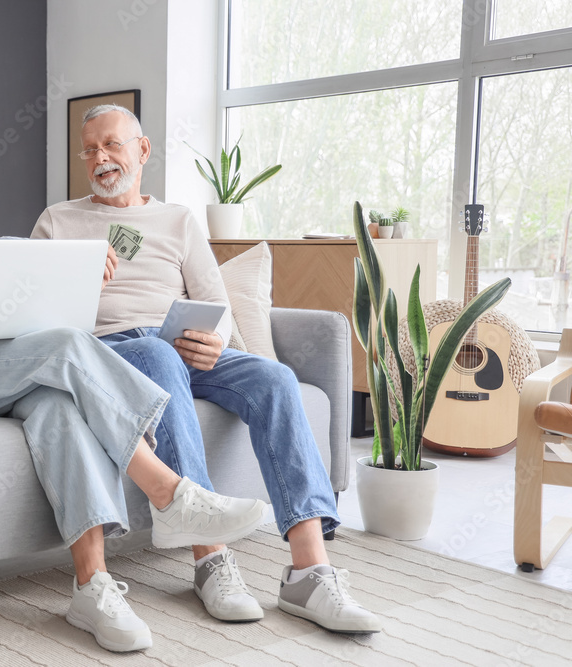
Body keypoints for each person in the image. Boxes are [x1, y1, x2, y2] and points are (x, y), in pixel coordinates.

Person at [0, 117, 269, 653]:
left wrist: (81, 281)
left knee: (58, 405)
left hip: (0, 369)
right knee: (62, 347)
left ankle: (92, 586)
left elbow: (26, 316)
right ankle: (170, 493)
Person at [31, 104, 382, 634]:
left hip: (178, 345)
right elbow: (36, 318)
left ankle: (310, 571)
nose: (100, 158)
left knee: (276, 379)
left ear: (142, 150)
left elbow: (215, 303)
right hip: (110, 352)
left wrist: (213, 342)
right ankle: (210, 559)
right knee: (157, 355)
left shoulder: (177, 220)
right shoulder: (58, 220)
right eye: (89, 150)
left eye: (112, 145)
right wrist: (78, 283)